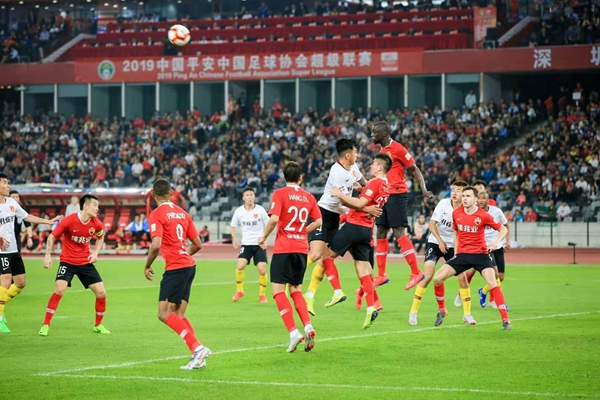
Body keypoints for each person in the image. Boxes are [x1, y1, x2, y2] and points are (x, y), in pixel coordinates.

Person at [144, 178, 211, 370]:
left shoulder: (156, 214)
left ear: (153, 195)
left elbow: (156, 244)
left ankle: (197, 349)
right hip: (189, 266)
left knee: (163, 313)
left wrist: (147, 265)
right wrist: (183, 254)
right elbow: (197, 244)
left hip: (175, 268)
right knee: (178, 313)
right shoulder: (183, 213)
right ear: (172, 194)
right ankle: (197, 355)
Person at [321, 153, 392, 329]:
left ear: (380, 167)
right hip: (367, 231)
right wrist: (362, 190)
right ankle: (370, 308)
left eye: (374, 164)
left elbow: (360, 205)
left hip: (354, 226)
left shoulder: (375, 183)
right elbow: (370, 200)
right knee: (362, 270)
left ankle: (337, 291)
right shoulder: (386, 187)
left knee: (327, 257)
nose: (371, 166)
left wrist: (339, 194)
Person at [303, 138, 372, 316]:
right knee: (316, 253)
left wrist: (372, 191)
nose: (357, 155)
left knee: (325, 259)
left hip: (334, 216)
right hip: (323, 213)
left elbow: (365, 183)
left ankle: (309, 296)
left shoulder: (353, 167)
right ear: (347, 155)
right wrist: (365, 208)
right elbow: (343, 200)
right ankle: (295, 270)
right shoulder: (337, 172)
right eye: (355, 152)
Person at [258, 162, 322, 353]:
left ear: (284, 177)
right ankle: (308, 326)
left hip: (284, 248)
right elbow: (319, 221)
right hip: (301, 249)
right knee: (296, 289)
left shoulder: (280, 194)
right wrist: (302, 231)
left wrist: (264, 236)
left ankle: (294, 332)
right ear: (301, 178)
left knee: (278, 291)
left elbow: (274, 219)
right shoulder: (309, 196)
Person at [432, 186, 512, 330]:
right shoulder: (456, 213)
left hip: (481, 255)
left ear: (475, 199)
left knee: (493, 283)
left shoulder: (483, 215)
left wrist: (496, 242)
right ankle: (442, 310)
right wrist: (456, 253)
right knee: (437, 279)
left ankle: (506, 320)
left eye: (468, 196)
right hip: (463, 256)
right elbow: (456, 234)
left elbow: (503, 229)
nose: (464, 199)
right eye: (463, 196)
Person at [371, 121, 433, 291]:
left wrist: (424, 190)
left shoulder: (398, 149)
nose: (372, 135)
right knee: (381, 231)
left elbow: (414, 169)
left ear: (384, 134)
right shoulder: (382, 151)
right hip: (383, 195)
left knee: (398, 232)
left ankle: (416, 272)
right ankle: (381, 274)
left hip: (397, 194)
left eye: (374, 133)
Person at [39, 194, 107, 336]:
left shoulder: (97, 224)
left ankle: (98, 325)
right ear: (86, 206)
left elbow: (100, 238)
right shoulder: (69, 220)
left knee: (101, 293)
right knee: (60, 290)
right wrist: (47, 255)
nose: (97, 209)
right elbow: (52, 237)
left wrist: (95, 253)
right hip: (68, 261)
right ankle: (45, 324)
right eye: (95, 205)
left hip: (85, 262)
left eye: (98, 206)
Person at [0, 177, 60, 334]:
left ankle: (1, 305)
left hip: (13, 250)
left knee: (20, 283)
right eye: (5, 183)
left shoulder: (11, 203)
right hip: (1, 252)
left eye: (8, 182)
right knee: (5, 282)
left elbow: (27, 217)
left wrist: (48, 222)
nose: (8, 185)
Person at [408, 180, 468, 326]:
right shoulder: (443, 204)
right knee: (427, 275)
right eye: (453, 189)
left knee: (462, 277)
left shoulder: (466, 209)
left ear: (465, 194)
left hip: (453, 246)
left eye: (458, 190)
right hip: (435, 242)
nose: (454, 193)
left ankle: (467, 314)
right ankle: (413, 311)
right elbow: (432, 224)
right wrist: (440, 241)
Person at [454, 179, 498, 307]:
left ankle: (485, 294)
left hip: (489, 245)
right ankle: (462, 294)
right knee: (473, 272)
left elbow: (502, 225)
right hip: (475, 247)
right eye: (477, 189)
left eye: (481, 189)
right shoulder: (466, 208)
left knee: (498, 275)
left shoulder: (492, 207)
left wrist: (500, 241)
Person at [230, 188, 270, 303]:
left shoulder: (260, 210)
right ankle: (239, 291)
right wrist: (235, 238)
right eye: (247, 195)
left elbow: (269, 225)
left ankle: (262, 295)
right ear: (243, 198)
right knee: (240, 266)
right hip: (246, 244)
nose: (249, 197)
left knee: (262, 270)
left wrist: (265, 238)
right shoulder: (239, 211)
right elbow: (232, 226)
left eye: (251, 195)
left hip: (259, 244)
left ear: (254, 197)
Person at [476, 191, 510, 309]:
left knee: (501, 277)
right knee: (494, 275)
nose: (481, 201)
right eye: (479, 198)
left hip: (498, 246)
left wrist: (506, 241)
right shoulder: (474, 213)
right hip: (485, 248)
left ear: (488, 200)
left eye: (483, 198)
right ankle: (500, 302)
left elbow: (505, 225)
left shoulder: (496, 211)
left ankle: (483, 291)